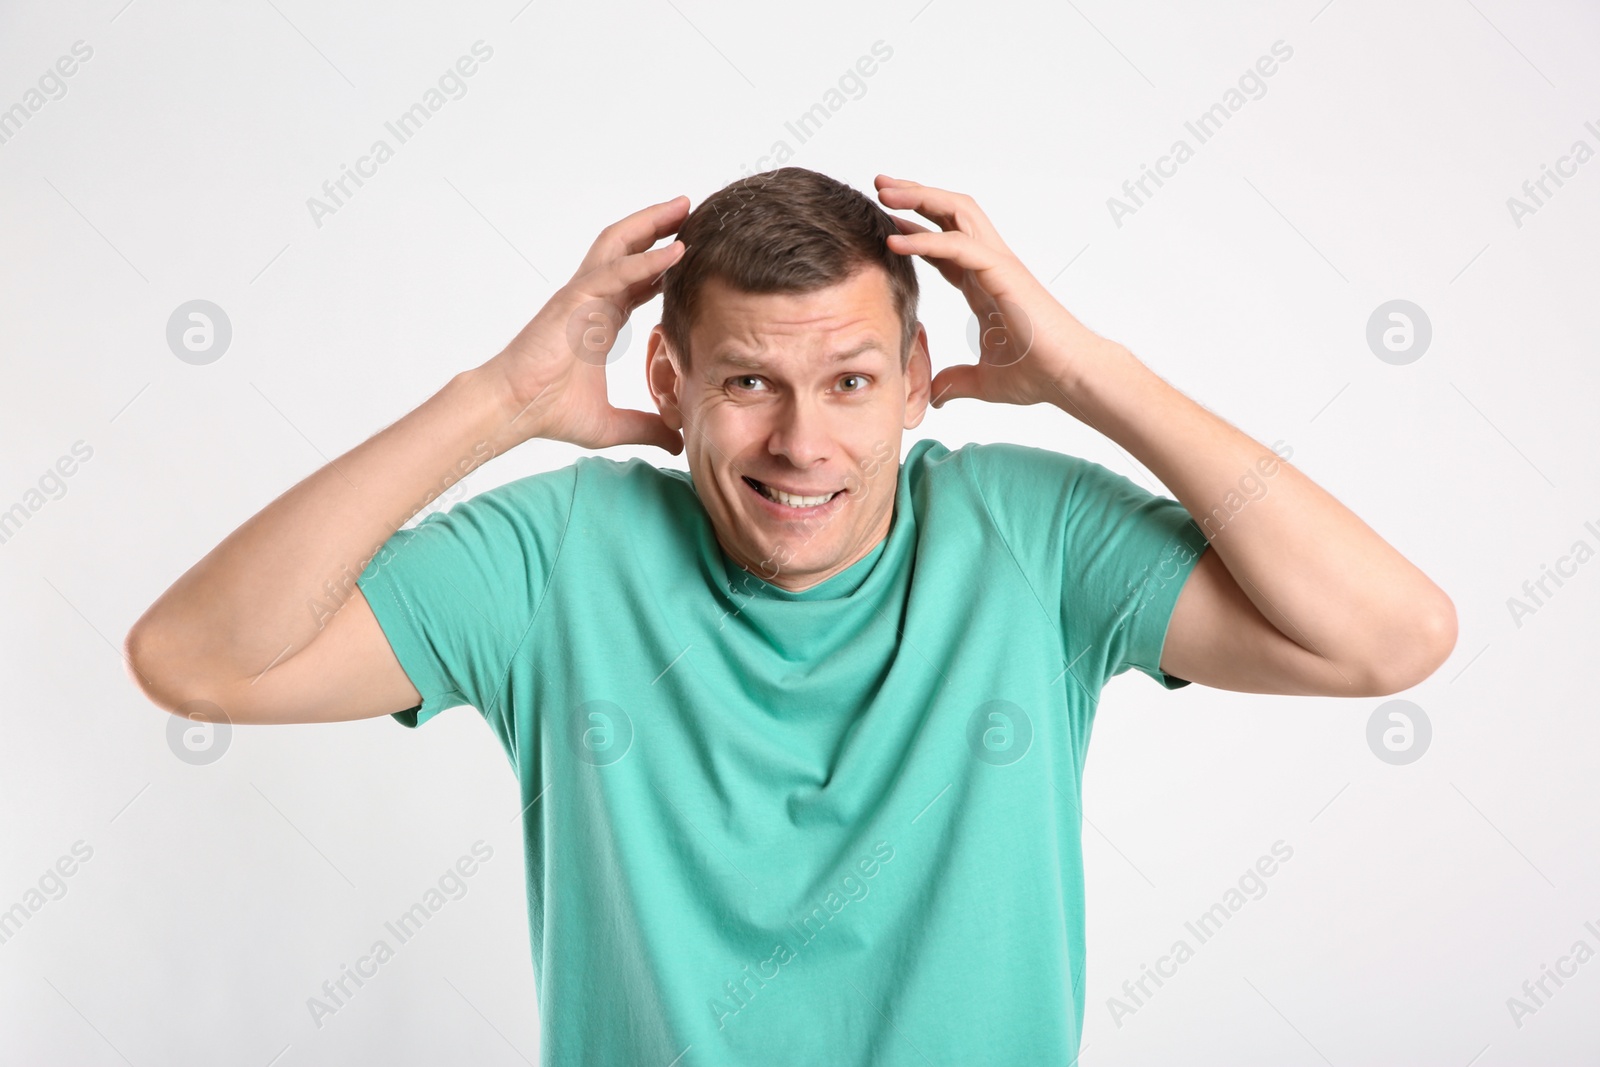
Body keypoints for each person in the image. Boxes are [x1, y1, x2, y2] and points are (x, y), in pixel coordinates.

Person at [123, 166, 1457, 1065]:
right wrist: (500, 401)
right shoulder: (560, 555)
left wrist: (1087, 375)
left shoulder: (1031, 535)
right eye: (749, 381)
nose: (803, 442)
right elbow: (195, 660)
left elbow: (1389, 637)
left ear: (919, 380)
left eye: (853, 380)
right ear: (672, 378)